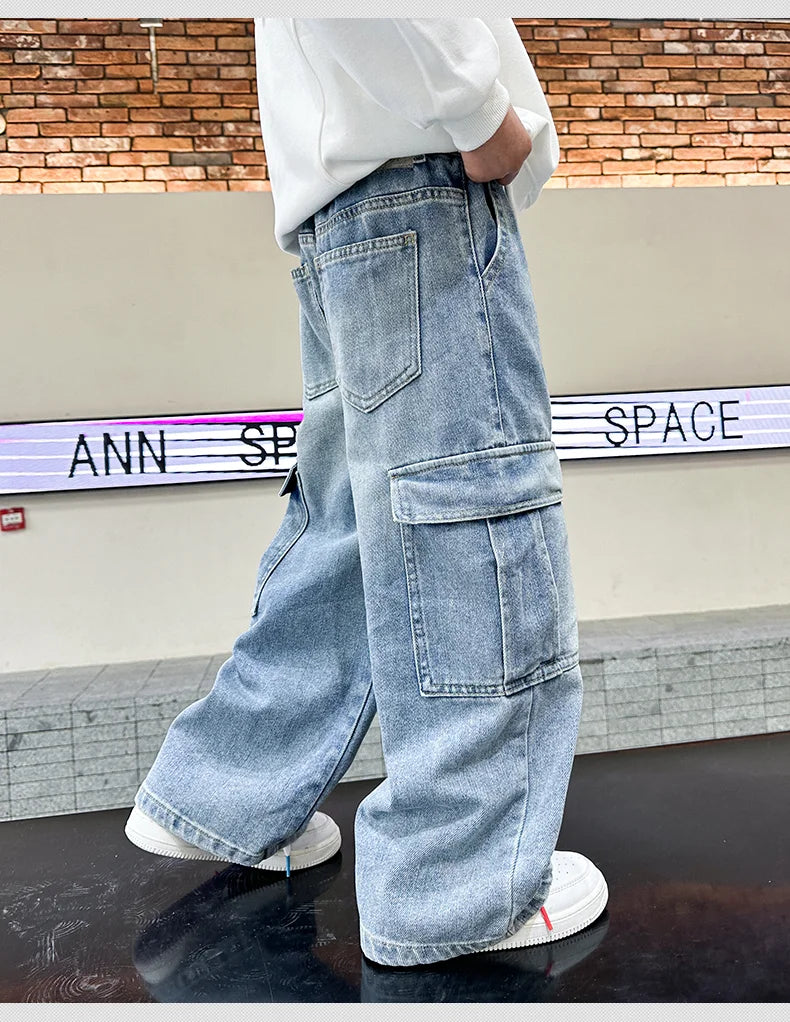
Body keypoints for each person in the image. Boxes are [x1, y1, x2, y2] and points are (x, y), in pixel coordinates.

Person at [124, 17, 609, 968]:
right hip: (423, 185)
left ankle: (223, 798)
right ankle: (459, 892)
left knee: (351, 527)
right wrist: (482, 115)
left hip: (343, 212)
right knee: (472, 524)